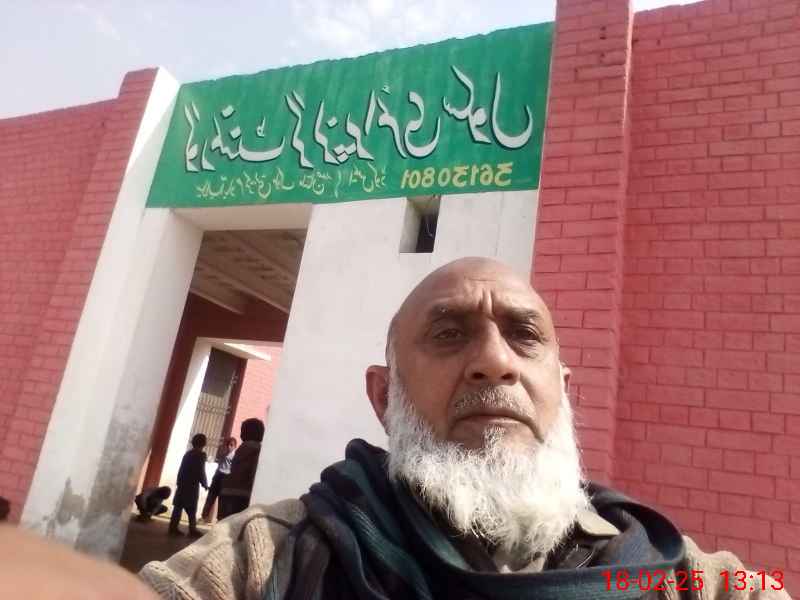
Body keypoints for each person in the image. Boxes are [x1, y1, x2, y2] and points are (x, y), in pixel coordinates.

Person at [138, 258, 789, 600]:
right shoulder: (268, 557)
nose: (494, 362)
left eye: (524, 335)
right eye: (450, 334)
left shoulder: (671, 575)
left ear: (562, 392)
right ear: (384, 396)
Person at [217, 419, 264, 520]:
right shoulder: (259, 450)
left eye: (242, 430)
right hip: (243, 494)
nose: (241, 433)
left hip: (230, 492)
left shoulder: (242, 448)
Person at [169, 433, 209, 537]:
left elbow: (181, 469)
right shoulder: (201, 455)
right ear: (204, 443)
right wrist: (204, 483)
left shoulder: (188, 454)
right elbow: (201, 471)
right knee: (192, 508)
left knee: (178, 507)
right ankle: (192, 529)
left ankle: (173, 527)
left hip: (183, 483)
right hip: (192, 485)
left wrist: (179, 481)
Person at [201, 437, 237, 522]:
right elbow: (218, 461)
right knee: (210, 497)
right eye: (228, 445)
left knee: (222, 499)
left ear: (235, 446)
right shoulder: (223, 453)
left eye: (231, 445)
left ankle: (220, 519)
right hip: (218, 475)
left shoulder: (235, 456)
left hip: (226, 477)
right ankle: (204, 516)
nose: (229, 447)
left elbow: (234, 468)